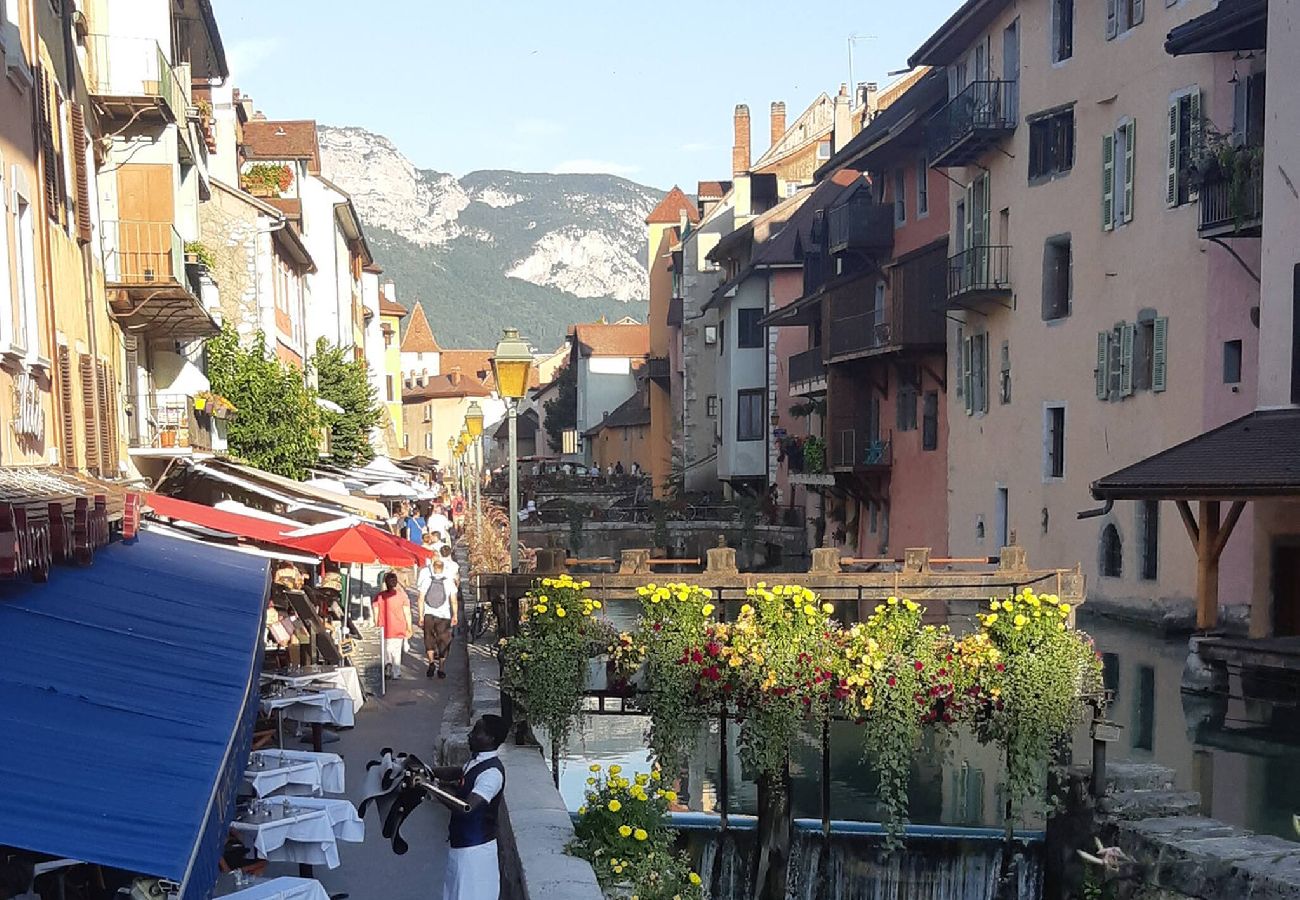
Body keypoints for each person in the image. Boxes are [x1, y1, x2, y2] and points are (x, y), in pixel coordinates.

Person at [428, 714, 509, 900]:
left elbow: (466, 808)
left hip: (475, 855)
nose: (470, 735)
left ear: (491, 739)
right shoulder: (477, 761)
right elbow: (459, 771)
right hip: (461, 847)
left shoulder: (492, 774)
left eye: (477, 731)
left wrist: (431, 787)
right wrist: (429, 771)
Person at [417, 554, 456, 678]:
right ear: (443, 568)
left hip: (428, 614)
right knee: (443, 641)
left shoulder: (427, 580)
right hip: (444, 615)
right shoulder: (449, 581)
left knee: (429, 639)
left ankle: (431, 662)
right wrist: (455, 615)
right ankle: (442, 668)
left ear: (433, 568)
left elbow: (420, 599)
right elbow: (453, 600)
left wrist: (420, 616)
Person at [373, 572, 411, 679]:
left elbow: (376, 612)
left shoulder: (379, 596)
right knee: (397, 651)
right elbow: (407, 612)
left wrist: (376, 625)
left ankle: (387, 664)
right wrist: (409, 627)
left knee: (386, 649)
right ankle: (396, 671)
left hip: (383, 627)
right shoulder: (402, 596)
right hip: (399, 627)